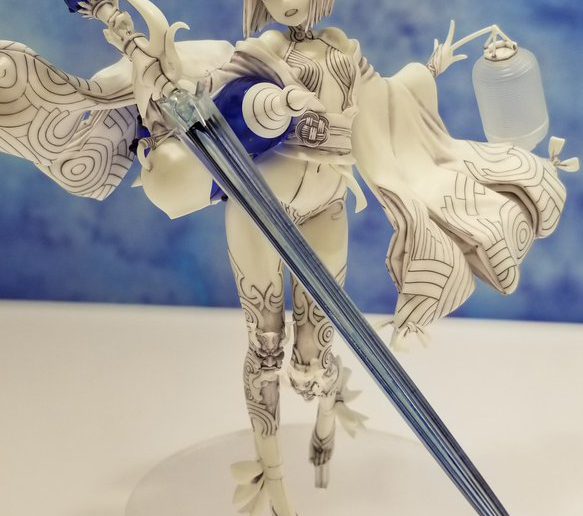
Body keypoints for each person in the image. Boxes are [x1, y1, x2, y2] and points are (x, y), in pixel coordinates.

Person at [0, 1, 577, 514]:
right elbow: (220, 102)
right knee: (265, 344)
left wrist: (427, 72)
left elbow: (383, 101)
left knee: (317, 346)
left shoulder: (346, 54)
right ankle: (273, 480)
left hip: (327, 202)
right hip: (261, 208)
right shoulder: (259, 53)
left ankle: (325, 424)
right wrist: (271, 101)